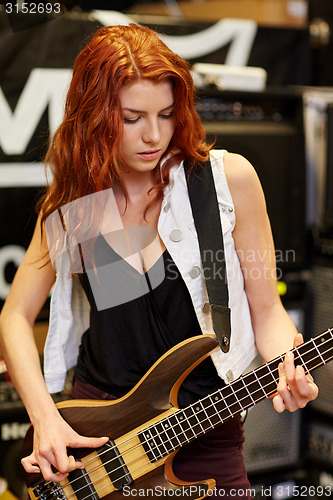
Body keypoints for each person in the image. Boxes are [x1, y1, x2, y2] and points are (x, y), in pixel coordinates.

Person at [0, 24, 318, 499]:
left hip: (205, 432)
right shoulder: (77, 204)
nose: (153, 135)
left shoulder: (225, 182)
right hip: (99, 437)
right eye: (131, 118)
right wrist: (45, 417)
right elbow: (14, 316)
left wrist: (288, 363)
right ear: (94, 116)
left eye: (166, 114)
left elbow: (266, 311)